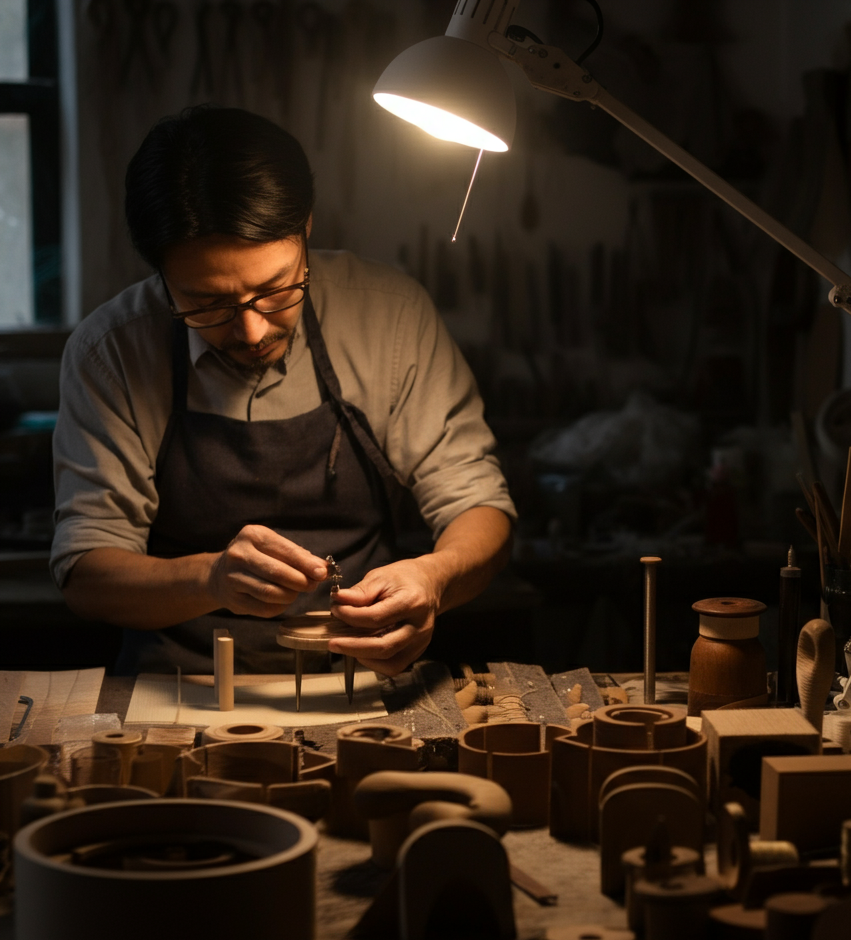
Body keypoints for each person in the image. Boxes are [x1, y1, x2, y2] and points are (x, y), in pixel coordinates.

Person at [51, 106, 515, 676]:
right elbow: (85, 575)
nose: (251, 330)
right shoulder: (112, 349)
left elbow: (480, 505)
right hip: (178, 686)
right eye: (207, 303)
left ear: (306, 229)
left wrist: (434, 578)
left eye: (275, 291)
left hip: (360, 674)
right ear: (161, 274)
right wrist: (210, 578)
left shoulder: (390, 315)